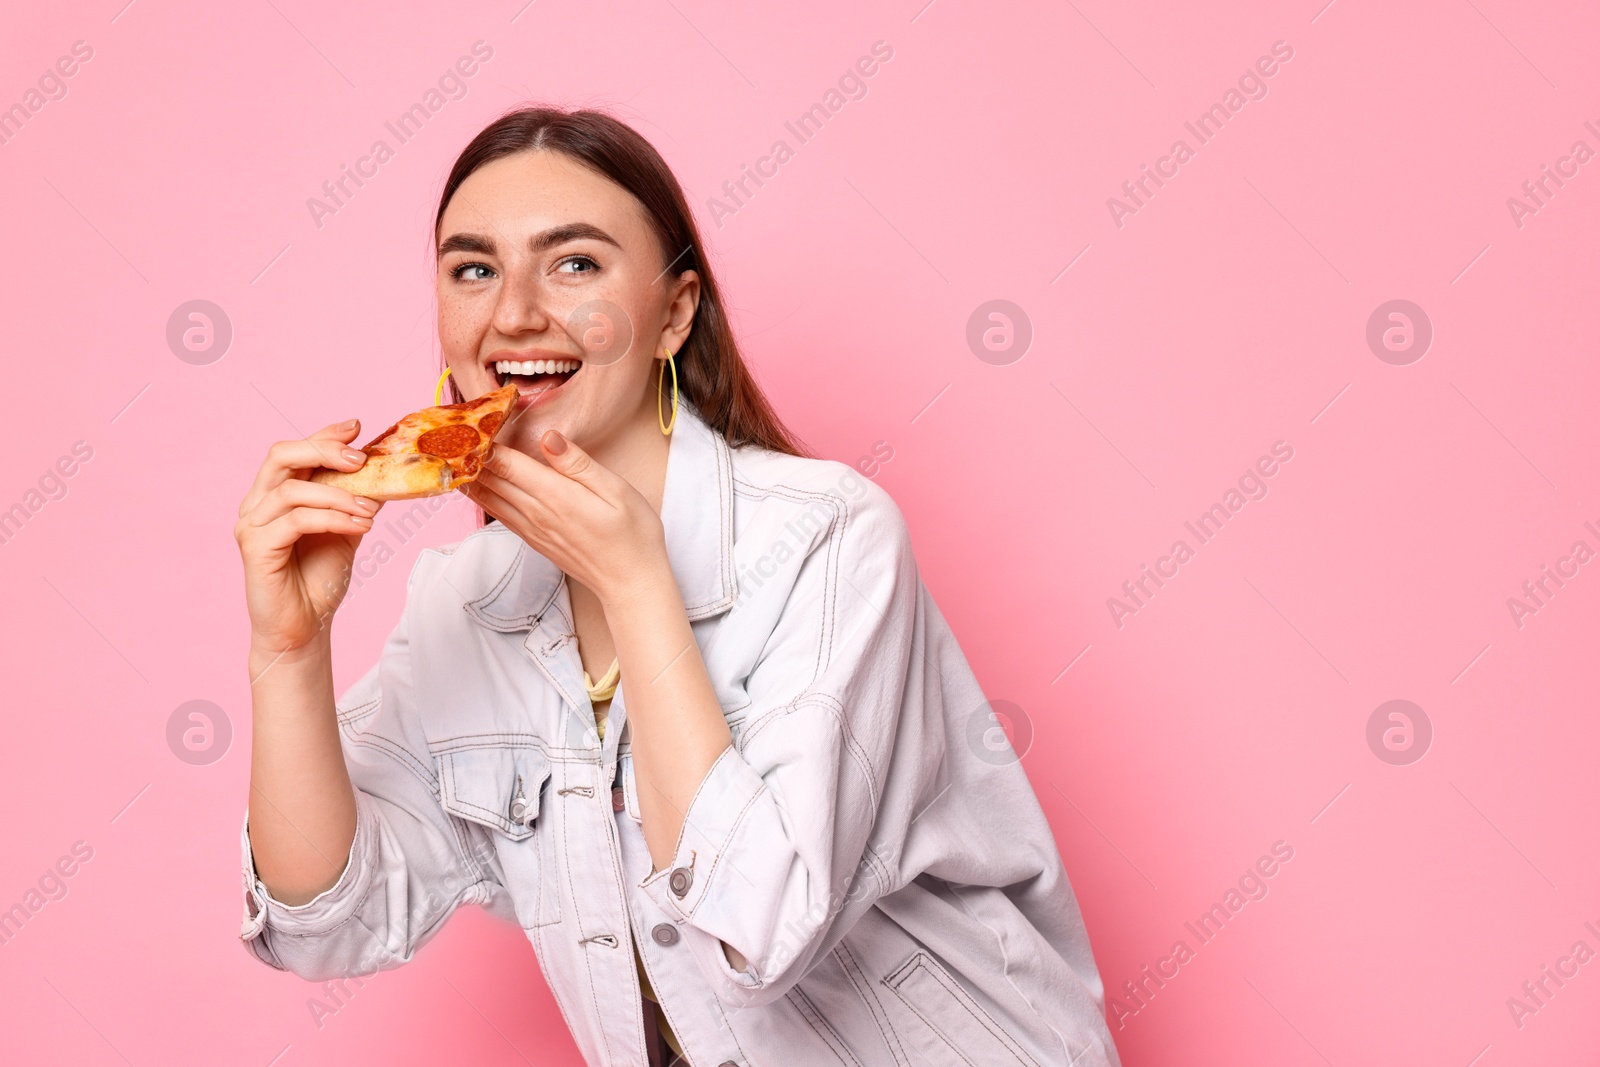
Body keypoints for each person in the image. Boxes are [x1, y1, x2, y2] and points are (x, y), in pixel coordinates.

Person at [234, 105, 1121, 1067]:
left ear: (675, 313)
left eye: (574, 263)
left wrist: (633, 578)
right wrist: (289, 651)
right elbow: (327, 922)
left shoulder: (825, 535)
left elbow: (761, 933)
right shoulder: (464, 601)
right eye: (473, 268)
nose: (514, 313)